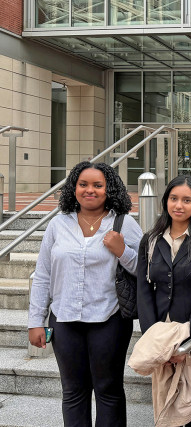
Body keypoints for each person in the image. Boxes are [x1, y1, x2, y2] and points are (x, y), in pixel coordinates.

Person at [28, 161, 142, 426]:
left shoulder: (124, 223)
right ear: (74, 188)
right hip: (65, 319)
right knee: (73, 392)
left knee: (109, 390)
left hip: (109, 318)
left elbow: (144, 269)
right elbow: (43, 274)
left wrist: (121, 250)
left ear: (108, 189)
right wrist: (36, 321)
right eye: (83, 184)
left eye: (97, 185)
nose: (90, 190)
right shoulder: (58, 224)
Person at [137, 175, 191, 426]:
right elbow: (144, 289)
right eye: (174, 199)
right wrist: (153, 336)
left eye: (187, 200)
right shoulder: (150, 240)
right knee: (163, 396)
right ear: (165, 201)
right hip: (159, 331)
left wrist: (187, 342)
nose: (179, 205)